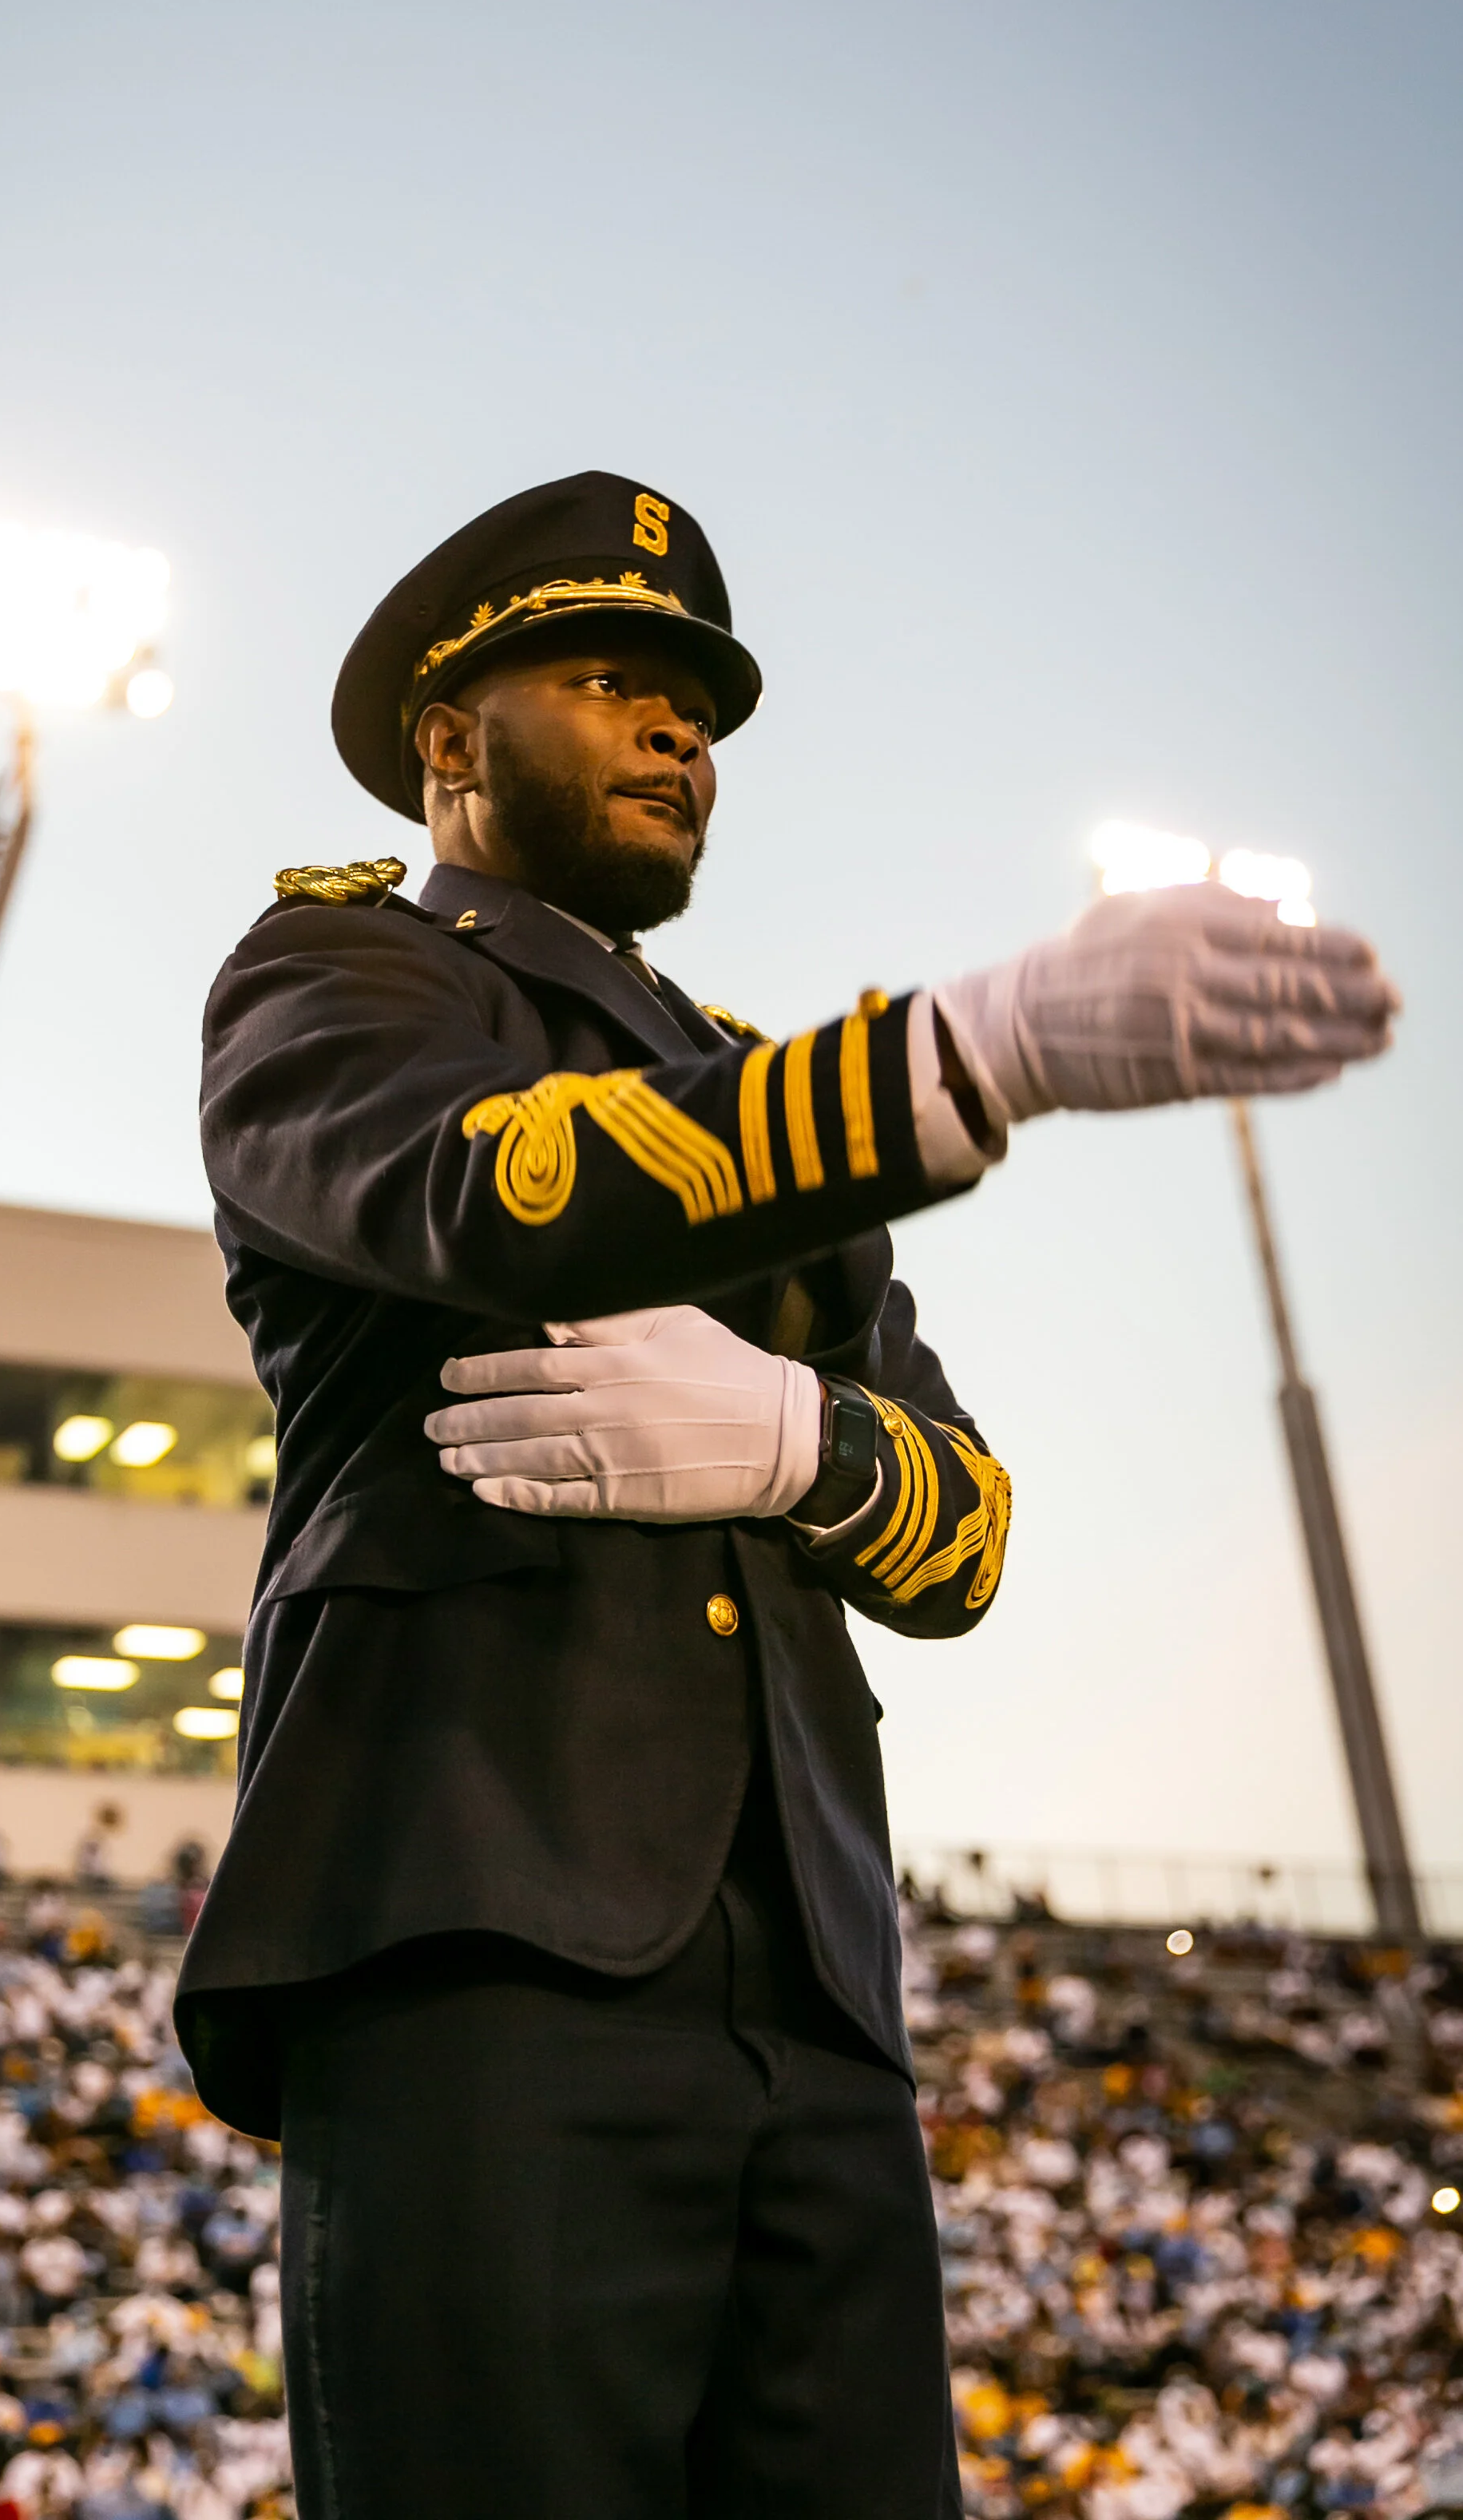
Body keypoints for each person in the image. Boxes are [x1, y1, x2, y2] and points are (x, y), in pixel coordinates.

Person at [172, 470, 1394, 2518]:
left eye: (699, 706)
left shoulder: (751, 1082)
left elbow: (965, 1530)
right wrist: (956, 1057)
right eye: (607, 677)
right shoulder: (337, 976)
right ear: (448, 738)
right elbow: (498, 1191)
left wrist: (801, 1444)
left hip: (814, 1979)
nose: (679, 728)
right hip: (474, 1918)